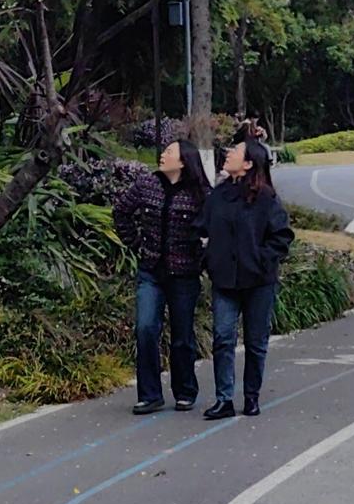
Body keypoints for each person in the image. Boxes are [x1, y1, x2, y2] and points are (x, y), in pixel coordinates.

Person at [113, 139, 210, 414]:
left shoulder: (200, 193)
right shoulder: (147, 184)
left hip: (184, 274)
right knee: (145, 328)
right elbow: (121, 210)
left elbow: (214, 226)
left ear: (183, 161)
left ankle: (185, 390)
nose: (163, 155)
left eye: (169, 152)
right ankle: (150, 394)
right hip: (151, 271)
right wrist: (134, 243)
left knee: (182, 335)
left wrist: (201, 257)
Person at [201, 136, 293, 421]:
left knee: (255, 341)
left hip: (259, 282)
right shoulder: (218, 195)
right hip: (224, 280)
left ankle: (251, 396)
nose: (229, 153)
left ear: (249, 163)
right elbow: (202, 228)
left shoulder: (266, 198)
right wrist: (209, 258)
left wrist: (261, 260)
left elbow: (282, 236)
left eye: (236, 151)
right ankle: (224, 399)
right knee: (222, 337)